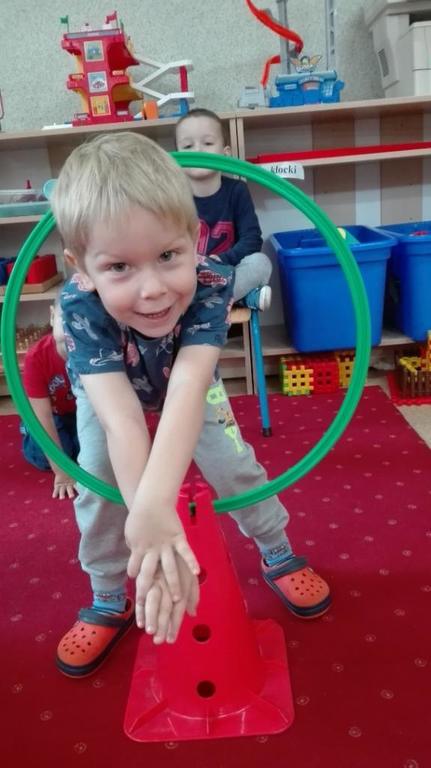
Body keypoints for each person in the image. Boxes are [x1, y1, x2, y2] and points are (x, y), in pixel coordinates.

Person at [51, 131, 331, 678]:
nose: (153, 289)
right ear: (80, 266)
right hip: (109, 389)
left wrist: (156, 509)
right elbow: (122, 420)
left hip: (186, 378)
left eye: (167, 256)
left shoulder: (208, 285)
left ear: (194, 241)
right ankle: (108, 592)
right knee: (98, 481)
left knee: (232, 464)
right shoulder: (80, 306)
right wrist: (149, 525)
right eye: (119, 267)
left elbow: (186, 389)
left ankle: (276, 549)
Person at [175, 107, 272, 312]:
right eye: (188, 146)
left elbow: (252, 239)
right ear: (177, 159)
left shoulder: (237, 190)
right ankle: (237, 300)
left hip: (227, 271)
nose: (198, 151)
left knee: (260, 263)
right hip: (190, 278)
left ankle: (210, 305)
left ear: (225, 154)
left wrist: (221, 260)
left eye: (208, 143)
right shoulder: (173, 198)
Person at [20, 293, 78, 499]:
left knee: (90, 453)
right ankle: (27, 428)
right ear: (53, 315)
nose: (73, 328)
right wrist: (61, 472)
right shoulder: (37, 357)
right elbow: (43, 418)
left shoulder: (97, 353)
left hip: (81, 412)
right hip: (51, 415)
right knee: (45, 457)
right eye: (66, 317)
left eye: (82, 321)